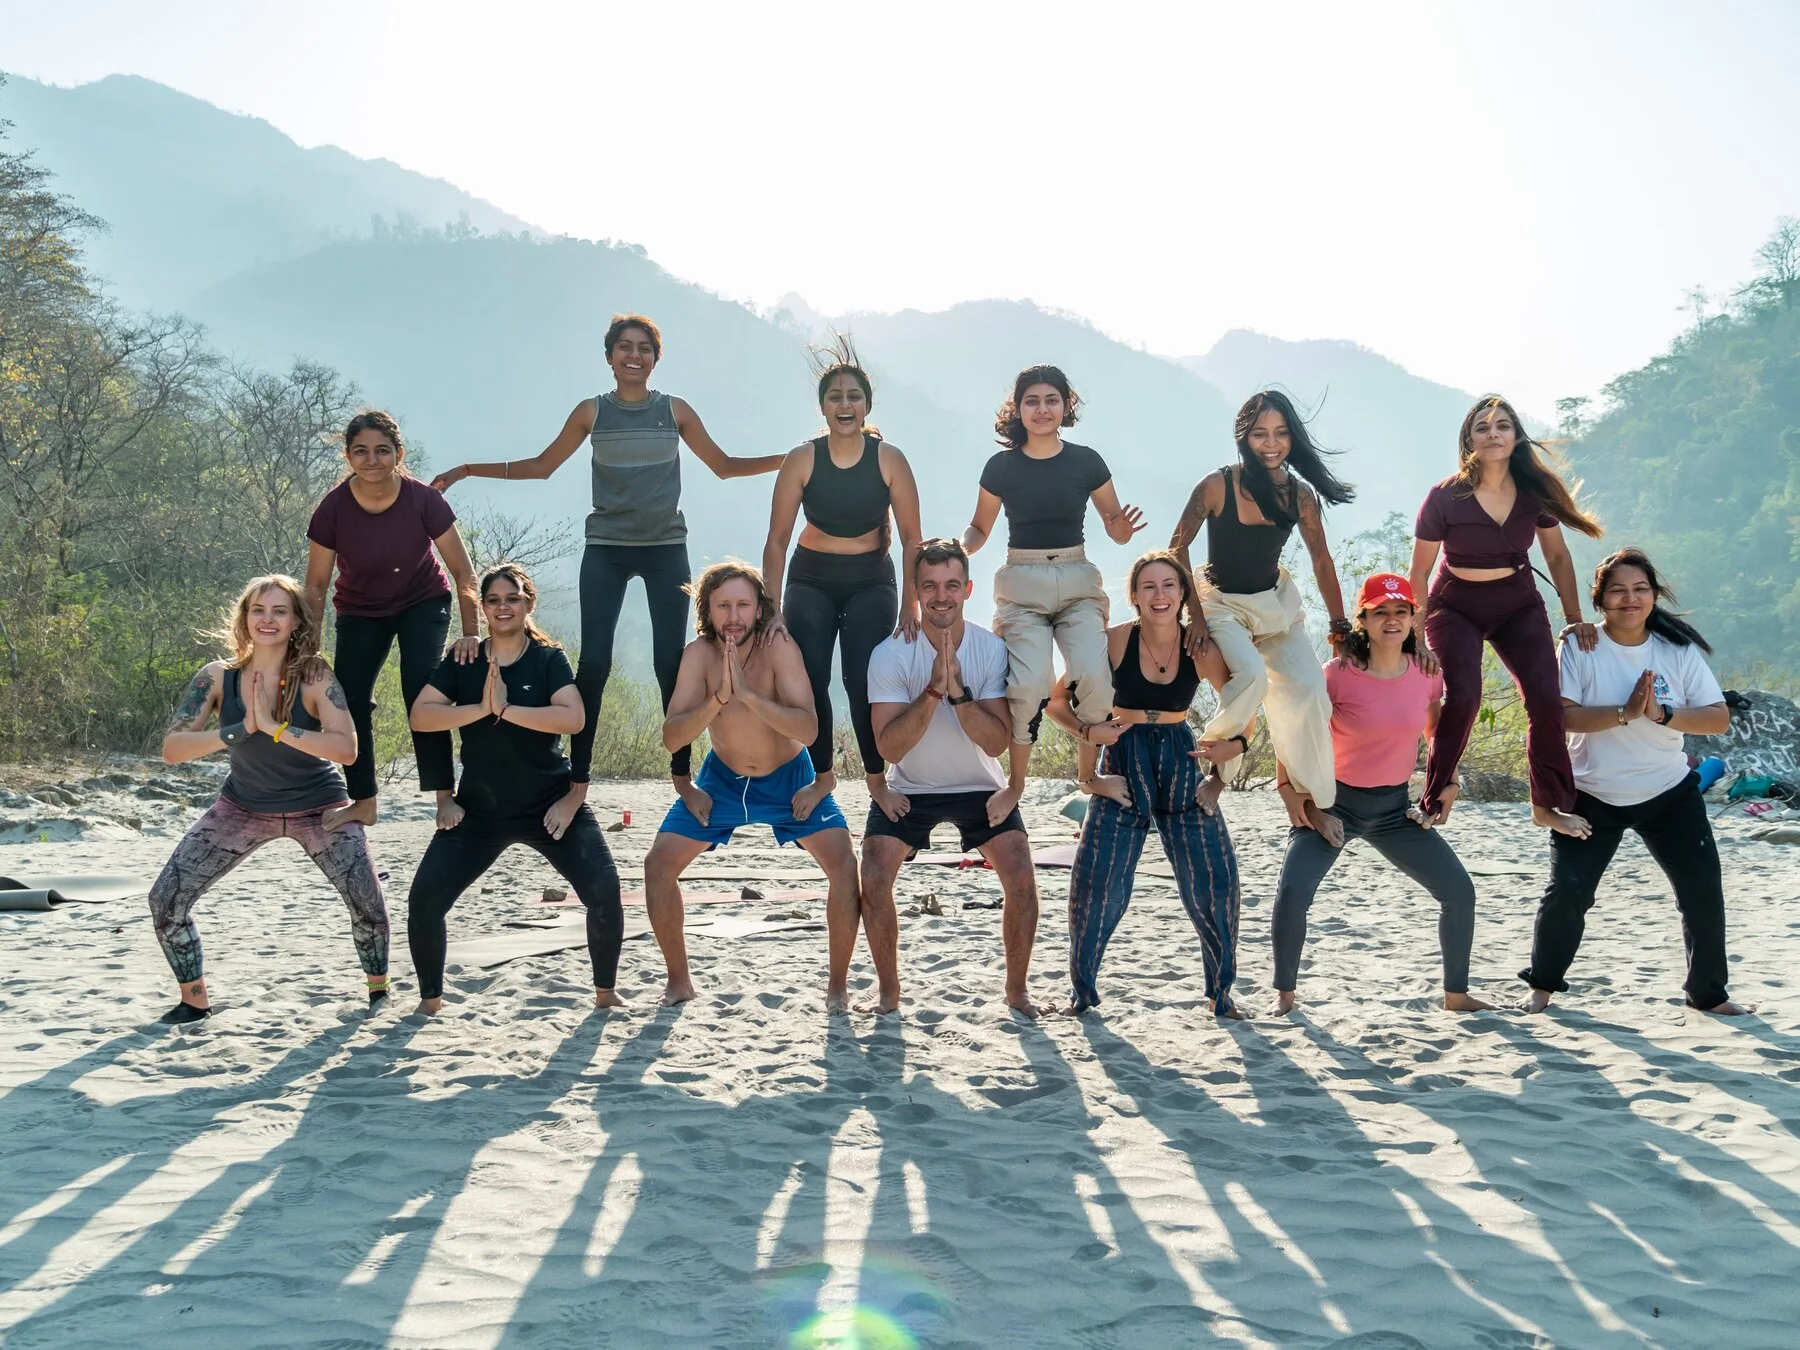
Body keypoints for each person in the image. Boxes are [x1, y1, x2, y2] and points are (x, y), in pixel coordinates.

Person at [429, 313, 785, 832]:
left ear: (656, 359)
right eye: (624, 347)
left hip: (666, 547)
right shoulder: (592, 412)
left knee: (672, 661)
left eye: (644, 348)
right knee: (593, 664)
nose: (634, 355)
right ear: (609, 356)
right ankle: (577, 784)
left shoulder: (674, 411)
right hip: (607, 548)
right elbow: (541, 465)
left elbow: (726, 465)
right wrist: (467, 469)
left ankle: (684, 778)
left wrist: (798, 457)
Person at [151, 575, 387, 1023]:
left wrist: (279, 728)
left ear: (296, 620)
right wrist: (242, 729)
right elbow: (172, 749)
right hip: (241, 808)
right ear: (244, 618)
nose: (268, 620)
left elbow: (346, 749)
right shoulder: (217, 677)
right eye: (258, 610)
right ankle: (194, 1001)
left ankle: (379, 994)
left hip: (320, 809)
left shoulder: (316, 677)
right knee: (166, 899)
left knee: (367, 902)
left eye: (280, 611)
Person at [1520, 549, 1743, 1015]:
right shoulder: (1581, 647)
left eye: (1640, 589)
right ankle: (1541, 985)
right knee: (1569, 893)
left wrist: (1661, 714)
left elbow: (1717, 718)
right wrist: (1624, 713)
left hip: (1668, 792)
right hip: (1593, 793)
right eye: (1618, 590)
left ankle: (1708, 994)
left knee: (1702, 893)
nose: (1630, 598)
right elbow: (1561, 718)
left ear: (1654, 596)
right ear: (1599, 599)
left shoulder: (1676, 651)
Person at [406, 563, 624, 1015]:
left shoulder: (548, 658)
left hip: (550, 806)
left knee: (604, 890)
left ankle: (606, 995)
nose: (503, 607)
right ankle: (430, 1004)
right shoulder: (464, 659)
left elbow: (573, 718)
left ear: (529, 603)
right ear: (482, 608)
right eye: (493, 600)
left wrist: (506, 710)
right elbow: (422, 716)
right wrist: (480, 708)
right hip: (479, 812)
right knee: (424, 900)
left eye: (512, 599)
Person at [643, 562, 861, 1009]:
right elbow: (672, 736)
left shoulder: (778, 648)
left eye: (744, 604)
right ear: (707, 609)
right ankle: (678, 981)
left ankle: (837, 988)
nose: (734, 616)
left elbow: (808, 729)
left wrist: (749, 696)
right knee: (657, 866)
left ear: (761, 607)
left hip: (789, 778)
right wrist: (719, 698)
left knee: (843, 864)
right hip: (722, 779)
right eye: (724, 606)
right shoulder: (698, 655)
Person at [1269, 573, 1490, 1015]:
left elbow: (1435, 734)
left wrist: (1449, 782)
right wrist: (1296, 798)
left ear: (1413, 618)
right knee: (1293, 892)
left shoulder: (1427, 677)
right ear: (1363, 619)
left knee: (1459, 891)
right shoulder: (1336, 676)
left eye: (1400, 611)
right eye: (1380, 612)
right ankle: (1285, 998)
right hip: (1334, 804)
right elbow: (1295, 730)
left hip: (1393, 811)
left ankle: (1456, 996)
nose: (1391, 619)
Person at [1048, 550, 1244, 1018]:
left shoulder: (1201, 646)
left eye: (1169, 586)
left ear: (1182, 594)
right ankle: (1082, 992)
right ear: (1134, 596)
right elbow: (1057, 701)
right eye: (1149, 587)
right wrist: (1089, 739)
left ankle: (1222, 994)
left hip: (1182, 755)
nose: (1160, 595)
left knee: (1216, 879)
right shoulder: (1113, 642)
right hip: (1124, 756)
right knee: (1098, 880)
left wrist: (1219, 775)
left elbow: (1242, 710)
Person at [859, 538, 1049, 1017]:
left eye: (950, 586)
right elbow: (889, 747)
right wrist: (931, 691)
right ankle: (888, 994)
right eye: (929, 587)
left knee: (1022, 876)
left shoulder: (989, 648)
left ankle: (1017, 991)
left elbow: (995, 743)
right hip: (910, 788)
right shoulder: (890, 654)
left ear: (967, 589)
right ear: (917, 593)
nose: (941, 596)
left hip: (981, 786)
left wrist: (959, 692)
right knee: (875, 875)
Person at [1409, 395, 1604, 837]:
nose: (1492, 433)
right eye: (1482, 427)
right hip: (1454, 605)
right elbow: (1419, 571)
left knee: (1545, 701)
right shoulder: (1445, 496)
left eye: (1502, 426)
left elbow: (1556, 555)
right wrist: (1416, 638)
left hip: (1518, 603)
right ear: (1469, 440)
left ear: (1515, 436)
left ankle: (1548, 805)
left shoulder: (1534, 492)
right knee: (1464, 698)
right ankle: (1436, 794)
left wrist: (1573, 616)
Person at [962, 364, 1146, 828]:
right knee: (1027, 684)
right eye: (1032, 401)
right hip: (1021, 581)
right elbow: (980, 527)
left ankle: (1088, 778)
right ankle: (1016, 785)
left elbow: (1115, 527)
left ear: (1066, 406)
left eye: (1051, 400)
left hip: (1077, 577)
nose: (1042, 409)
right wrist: (957, 548)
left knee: (1094, 677)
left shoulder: (1087, 461)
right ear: (1018, 409)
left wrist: (1121, 529)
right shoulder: (1000, 466)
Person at [1169, 390, 1355, 846]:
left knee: (1310, 691)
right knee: (1251, 677)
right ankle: (1217, 770)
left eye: (1280, 433)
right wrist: (1193, 615)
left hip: (1275, 604)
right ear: (1243, 437)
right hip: (1221, 602)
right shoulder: (1217, 485)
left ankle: (1308, 796)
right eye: (1259, 434)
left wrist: (1339, 626)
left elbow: (1323, 561)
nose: (1270, 443)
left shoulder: (1300, 495)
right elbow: (1177, 546)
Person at [760, 337, 923, 825]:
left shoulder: (889, 458)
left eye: (854, 396)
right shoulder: (802, 459)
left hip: (872, 579)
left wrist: (908, 605)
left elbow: (914, 540)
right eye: (835, 397)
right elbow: (776, 541)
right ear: (823, 408)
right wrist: (773, 608)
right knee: (811, 677)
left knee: (861, 679)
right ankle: (825, 774)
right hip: (811, 578)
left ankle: (876, 779)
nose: (845, 405)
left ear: (867, 405)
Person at [303, 410, 480, 833]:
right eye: (361, 451)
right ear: (348, 457)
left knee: (422, 688)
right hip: (361, 609)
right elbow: (314, 587)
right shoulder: (332, 509)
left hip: (422, 601)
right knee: (349, 697)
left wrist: (472, 632)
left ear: (398, 454)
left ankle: (443, 795)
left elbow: (464, 572)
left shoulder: (424, 499)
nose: (372, 460)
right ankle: (363, 801)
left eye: (382, 451)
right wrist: (309, 650)